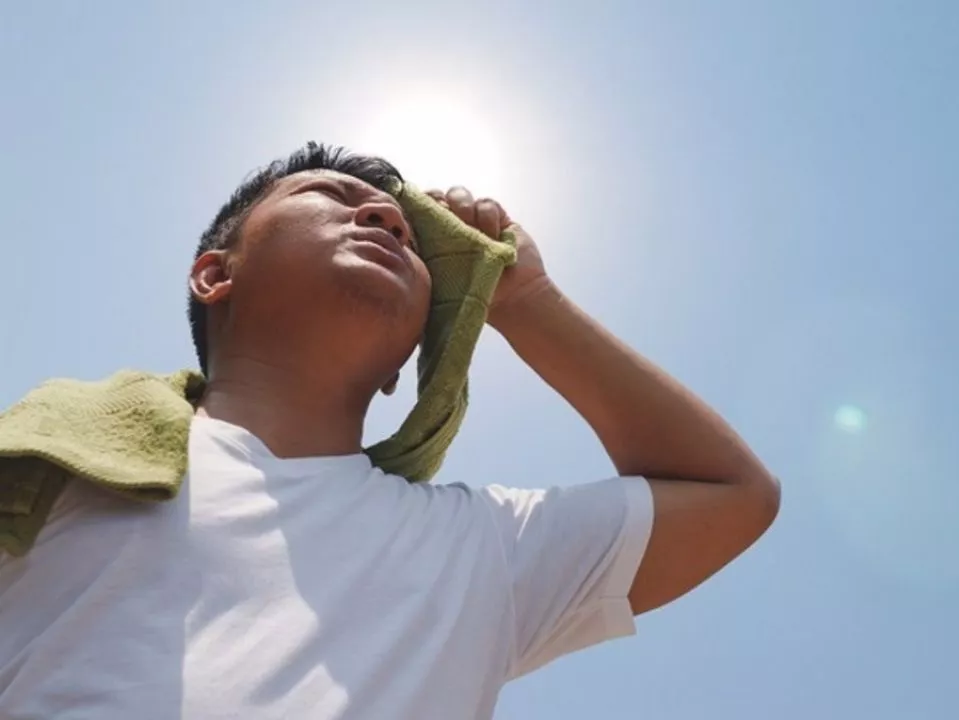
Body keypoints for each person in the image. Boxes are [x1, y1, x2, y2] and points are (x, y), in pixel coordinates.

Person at [0, 143, 779, 719]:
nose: (380, 218)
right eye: (331, 195)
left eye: (411, 238)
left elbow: (732, 494)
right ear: (215, 275)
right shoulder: (57, 461)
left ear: (401, 366)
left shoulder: (477, 550)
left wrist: (527, 299)